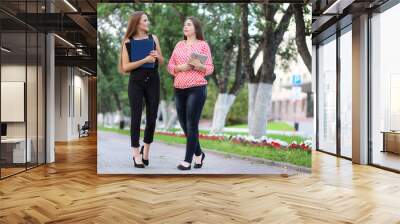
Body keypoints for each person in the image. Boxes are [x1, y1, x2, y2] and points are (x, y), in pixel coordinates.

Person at [167, 17, 214, 170]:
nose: (185, 27)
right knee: (183, 124)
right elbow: (170, 66)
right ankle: (199, 155)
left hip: (197, 88)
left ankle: (188, 160)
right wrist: (181, 68)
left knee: (191, 124)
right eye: (184, 25)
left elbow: (210, 68)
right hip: (179, 88)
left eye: (189, 24)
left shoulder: (203, 45)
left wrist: (199, 66)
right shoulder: (179, 45)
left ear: (196, 28)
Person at [119, 11, 163, 168]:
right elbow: (125, 67)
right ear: (137, 23)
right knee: (136, 118)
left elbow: (162, 61)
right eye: (145, 20)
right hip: (136, 83)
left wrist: (157, 56)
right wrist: (145, 60)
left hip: (153, 80)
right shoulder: (127, 42)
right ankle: (135, 154)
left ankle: (146, 150)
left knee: (152, 117)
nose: (148, 22)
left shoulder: (153, 39)